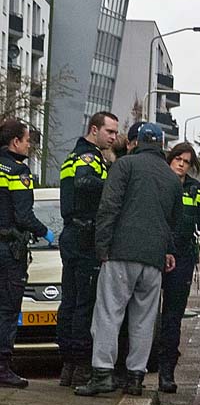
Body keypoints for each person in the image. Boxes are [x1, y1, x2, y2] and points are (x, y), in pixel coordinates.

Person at [75, 123, 182, 397]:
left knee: (109, 314)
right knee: (144, 320)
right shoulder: (171, 178)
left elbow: (108, 207)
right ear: (160, 145)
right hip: (153, 259)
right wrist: (167, 251)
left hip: (122, 253)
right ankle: (136, 378)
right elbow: (174, 221)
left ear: (136, 142)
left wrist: (103, 247)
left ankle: (102, 375)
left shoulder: (124, 166)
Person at [158, 142, 200, 393]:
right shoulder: (158, 182)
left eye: (186, 161)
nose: (181, 164)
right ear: (169, 159)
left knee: (173, 316)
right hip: (155, 254)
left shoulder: (195, 189)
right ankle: (135, 369)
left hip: (183, 256)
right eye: (177, 158)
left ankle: (167, 371)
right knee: (143, 314)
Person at [57, 111, 119, 388]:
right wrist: (114, 186)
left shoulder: (73, 155)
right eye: (110, 132)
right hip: (84, 237)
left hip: (72, 233)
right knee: (84, 304)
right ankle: (81, 365)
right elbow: (84, 183)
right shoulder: (89, 157)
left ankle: (68, 365)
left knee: (69, 302)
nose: (114, 137)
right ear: (95, 130)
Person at [0, 119, 55, 388]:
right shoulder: (17, 171)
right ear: (15, 143)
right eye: (27, 140)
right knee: (8, 309)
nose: (29, 145)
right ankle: (2, 368)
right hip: (10, 250)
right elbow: (23, 216)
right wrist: (45, 231)